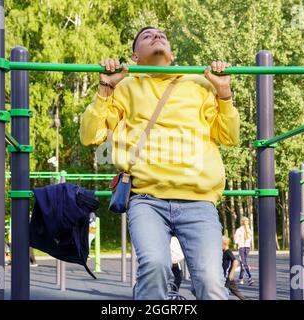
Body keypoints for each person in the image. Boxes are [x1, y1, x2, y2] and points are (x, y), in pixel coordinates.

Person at [80, 26, 240, 300]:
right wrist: (106, 86)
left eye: (162, 36)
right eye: (147, 36)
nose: (157, 36)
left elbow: (229, 136)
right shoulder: (125, 87)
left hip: (198, 200)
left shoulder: (199, 84)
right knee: (154, 268)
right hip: (147, 198)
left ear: (171, 54)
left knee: (211, 281)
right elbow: (90, 135)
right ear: (135, 57)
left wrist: (224, 92)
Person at [222, 236, 245, 300]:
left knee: (223, 291)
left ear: (224, 243)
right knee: (235, 291)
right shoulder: (223, 252)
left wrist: (231, 273)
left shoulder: (228, 252)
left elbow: (235, 261)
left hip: (227, 277)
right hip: (226, 276)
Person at [234, 217, 254, 286]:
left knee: (243, 263)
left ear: (241, 222)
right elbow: (250, 240)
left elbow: (235, 241)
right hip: (247, 247)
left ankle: (249, 277)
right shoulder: (249, 230)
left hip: (241, 247)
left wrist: (238, 240)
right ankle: (241, 278)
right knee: (243, 262)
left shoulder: (239, 230)